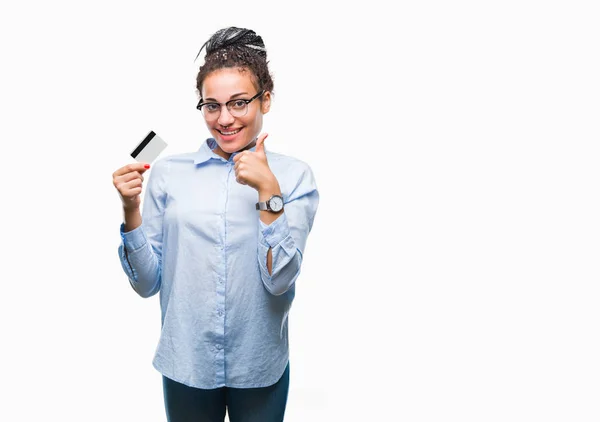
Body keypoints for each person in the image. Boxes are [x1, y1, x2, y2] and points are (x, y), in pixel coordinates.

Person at [112, 26, 319, 422]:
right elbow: (145, 283)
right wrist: (130, 209)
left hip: (259, 365)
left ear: (266, 100)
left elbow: (280, 280)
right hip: (186, 362)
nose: (224, 118)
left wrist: (268, 191)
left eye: (239, 103)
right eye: (212, 105)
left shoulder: (294, 177)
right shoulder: (170, 173)